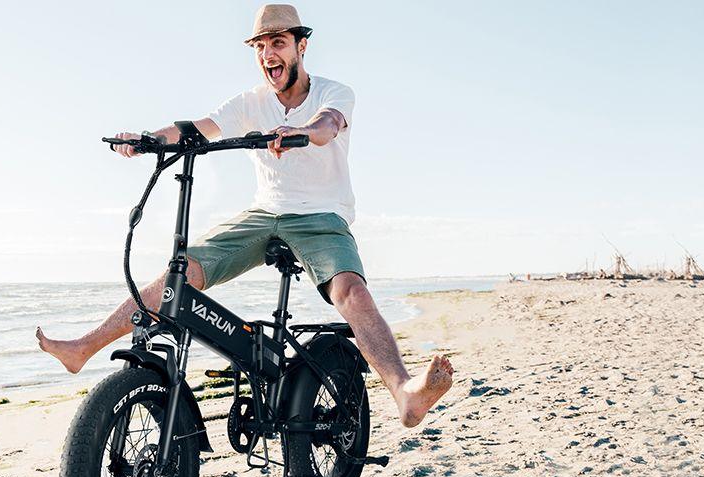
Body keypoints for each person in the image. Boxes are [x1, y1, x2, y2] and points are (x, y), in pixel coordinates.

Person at [38, 4, 454, 427]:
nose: (268, 53)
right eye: (260, 46)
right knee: (181, 275)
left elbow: (328, 125)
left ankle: (405, 393)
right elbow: (195, 129)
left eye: (278, 43)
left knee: (351, 292)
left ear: (301, 46)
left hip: (320, 217)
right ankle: (83, 348)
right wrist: (147, 138)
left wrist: (302, 132)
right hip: (263, 213)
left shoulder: (333, 92)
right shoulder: (250, 102)